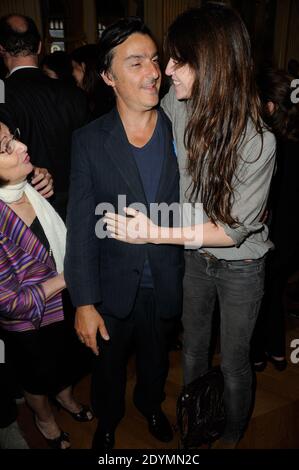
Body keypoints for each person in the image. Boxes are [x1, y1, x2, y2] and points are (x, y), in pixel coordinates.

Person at [104, 5, 276, 448]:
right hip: (193, 259)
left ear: (212, 63)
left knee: (235, 363)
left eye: (178, 60)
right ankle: (195, 427)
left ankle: (231, 436)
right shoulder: (178, 107)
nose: (167, 72)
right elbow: (133, 128)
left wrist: (154, 232)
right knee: (195, 350)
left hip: (240, 265)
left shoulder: (258, 140)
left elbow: (231, 232)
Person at [64, 17, 184, 451]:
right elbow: (80, 227)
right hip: (111, 284)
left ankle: (150, 405)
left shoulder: (181, 128)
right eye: (136, 63)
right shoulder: (89, 141)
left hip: (168, 277)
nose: (153, 72)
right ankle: (109, 420)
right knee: (107, 365)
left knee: (155, 361)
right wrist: (83, 302)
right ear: (108, 76)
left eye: (154, 60)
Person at [0, 122, 93, 450]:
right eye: (5, 147)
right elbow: (8, 302)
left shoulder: (24, 184)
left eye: (14, 137)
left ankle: (66, 397)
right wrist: (67, 278)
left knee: (67, 359)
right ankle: (44, 419)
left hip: (65, 303)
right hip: (30, 323)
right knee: (37, 378)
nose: (22, 147)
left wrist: (40, 178)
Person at [0, 14, 90, 219]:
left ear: (1, 49)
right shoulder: (74, 93)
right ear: (40, 47)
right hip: (77, 204)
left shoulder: (1, 90)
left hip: (29, 208)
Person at [251, 68, 299, 371]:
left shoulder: (268, 146)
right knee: (275, 292)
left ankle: (257, 354)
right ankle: (277, 351)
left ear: (269, 107)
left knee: (258, 297)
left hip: (272, 237)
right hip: (292, 241)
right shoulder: (293, 142)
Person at [71, 44, 114, 118]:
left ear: (83, 66)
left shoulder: (96, 103)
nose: (72, 73)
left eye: (73, 67)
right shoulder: (112, 93)